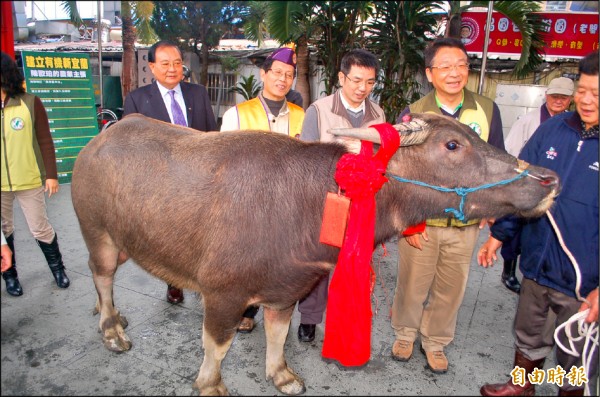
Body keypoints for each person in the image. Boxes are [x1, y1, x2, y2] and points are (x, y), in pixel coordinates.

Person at [478, 50, 598, 397]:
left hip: (582, 283)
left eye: (597, 94)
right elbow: (521, 189)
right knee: (529, 332)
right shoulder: (554, 129)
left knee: (575, 356)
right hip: (536, 265)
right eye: (583, 90)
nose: (587, 101)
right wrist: (498, 236)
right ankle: (521, 386)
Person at [389, 37, 505, 373]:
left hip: (466, 220)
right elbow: (402, 171)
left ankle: (436, 341)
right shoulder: (415, 112)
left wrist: (491, 206)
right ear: (430, 72)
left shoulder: (486, 109)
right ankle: (405, 334)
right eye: (445, 66)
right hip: (423, 222)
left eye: (461, 65)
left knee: (451, 287)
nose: (455, 73)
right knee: (411, 282)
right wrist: (408, 222)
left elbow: (494, 159)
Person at [297, 48, 386, 343]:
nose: (363, 88)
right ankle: (310, 318)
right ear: (341, 77)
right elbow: (307, 160)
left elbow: (381, 159)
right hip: (328, 201)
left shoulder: (378, 114)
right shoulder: (319, 110)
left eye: (370, 82)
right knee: (321, 263)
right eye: (356, 80)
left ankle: (346, 319)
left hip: (363, 205)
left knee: (355, 263)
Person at [123, 40, 217, 304]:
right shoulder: (137, 100)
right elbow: (130, 148)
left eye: (177, 63)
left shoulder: (197, 93)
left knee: (202, 233)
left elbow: (211, 133)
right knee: (171, 237)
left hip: (198, 180)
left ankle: (203, 281)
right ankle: (174, 282)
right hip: (161, 185)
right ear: (152, 67)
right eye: (165, 64)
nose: (172, 69)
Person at [221, 45, 305, 332]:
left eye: (289, 75)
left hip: (286, 204)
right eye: (277, 73)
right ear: (263, 74)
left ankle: (271, 307)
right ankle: (245, 310)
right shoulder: (237, 114)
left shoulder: (301, 116)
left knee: (276, 259)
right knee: (246, 259)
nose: (283, 79)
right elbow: (224, 163)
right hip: (248, 202)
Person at [1, 51, 71, 296]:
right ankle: (10, 277)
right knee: (4, 231)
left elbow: (44, 140)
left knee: (40, 227)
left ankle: (58, 269)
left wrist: (51, 174)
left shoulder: (29, 102)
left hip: (29, 179)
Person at [500, 76, 574, 294]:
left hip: (557, 191)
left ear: (570, 100)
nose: (558, 101)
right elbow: (511, 152)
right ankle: (509, 271)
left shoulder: (575, 125)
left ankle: (543, 272)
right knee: (514, 230)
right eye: (555, 96)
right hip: (526, 186)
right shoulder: (528, 121)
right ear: (546, 96)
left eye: (564, 97)